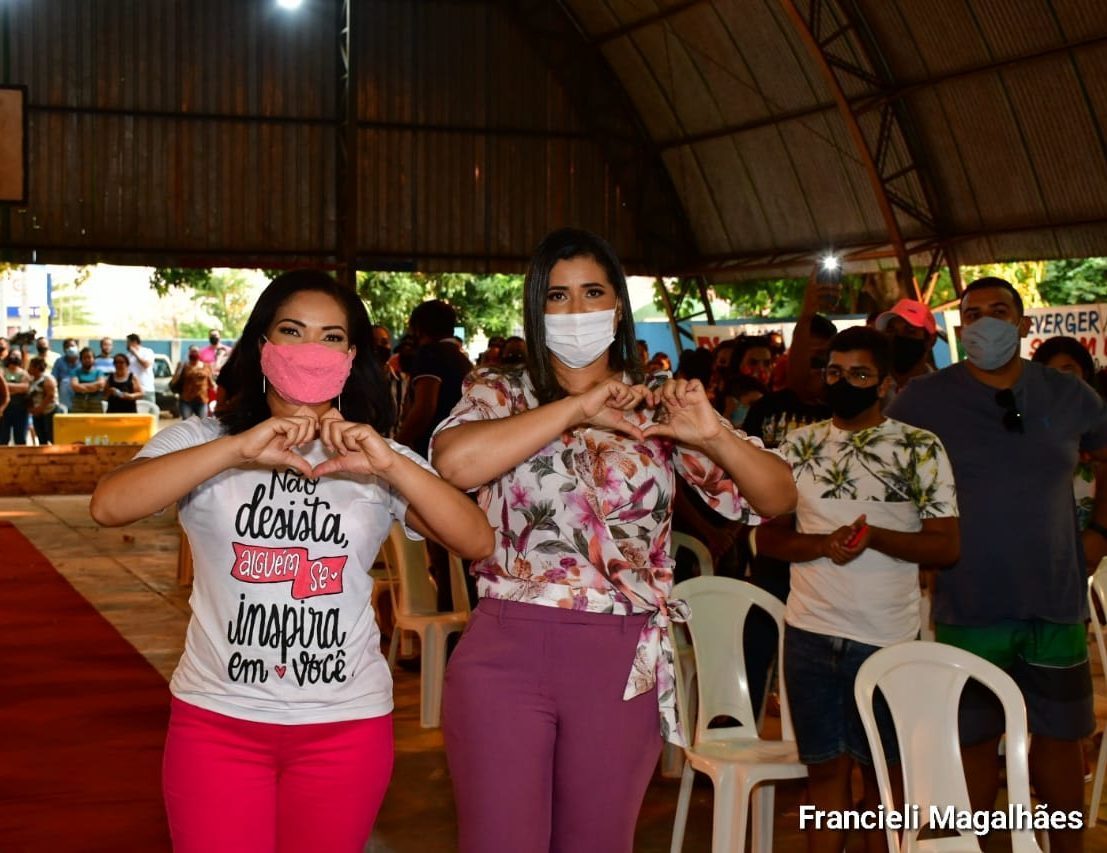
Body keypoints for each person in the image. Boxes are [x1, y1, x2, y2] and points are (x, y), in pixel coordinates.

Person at [89, 270, 493, 853]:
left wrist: (391, 465)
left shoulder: (372, 455)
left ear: (351, 357)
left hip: (346, 726)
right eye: (292, 331)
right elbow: (109, 506)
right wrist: (237, 449)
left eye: (331, 337)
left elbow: (476, 540)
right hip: (217, 722)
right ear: (263, 345)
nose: (311, 349)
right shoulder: (203, 440)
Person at [430, 227, 796, 853]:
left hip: (622, 656)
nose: (576, 310)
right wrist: (578, 408)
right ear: (536, 308)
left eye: (592, 293)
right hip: (505, 648)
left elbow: (778, 497)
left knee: (598, 840)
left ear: (618, 306)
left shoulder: (658, 406)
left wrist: (712, 435)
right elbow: (455, 464)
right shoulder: (500, 392)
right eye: (558, 296)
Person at [887, 277, 1107, 853]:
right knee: (973, 747)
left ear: (1023, 324)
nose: (986, 322)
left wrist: (1100, 532)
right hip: (969, 603)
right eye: (974, 313)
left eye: (999, 311)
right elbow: (883, 466)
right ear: (961, 329)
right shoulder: (924, 399)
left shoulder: (1068, 394)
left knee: (1060, 744)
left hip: (1055, 602)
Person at [757, 327, 959, 853]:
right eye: (835, 372)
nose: (843, 382)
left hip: (886, 640)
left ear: (885, 384)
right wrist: (824, 544)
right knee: (824, 777)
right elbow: (769, 537)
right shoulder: (797, 446)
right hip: (809, 634)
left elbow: (945, 546)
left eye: (859, 374)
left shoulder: (918, 447)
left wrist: (875, 537)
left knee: (884, 784)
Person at [396, 299, 474, 612]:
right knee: (459, 546)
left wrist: (397, 445)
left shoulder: (430, 355)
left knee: (439, 546)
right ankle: (463, 611)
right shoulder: (461, 359)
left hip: (432, 456)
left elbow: (425, 406)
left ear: (418, 329)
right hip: (461, 457)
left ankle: (448, 612)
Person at [873, 298, 936, 397]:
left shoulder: (943, 390)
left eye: (910, 331)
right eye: (891, 330)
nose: (898, 337)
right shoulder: (873, 389)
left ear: (930, 341)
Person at [172, 346, 216, 419]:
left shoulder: (206, 366)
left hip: (202, 400)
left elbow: (211, 382)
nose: (194, 353)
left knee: (202, 423)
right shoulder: (183, 366)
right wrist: (178, 370)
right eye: (192, 351)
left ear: (199, 353)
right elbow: (174, 381)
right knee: (187, 422)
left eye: (196, 351)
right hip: (186, 400)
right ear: (189, 353)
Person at [1, 353, 31, 445]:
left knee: (20, 438)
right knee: (3, 438)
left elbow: (25, 387)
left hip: (21, 409)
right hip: (5, 410)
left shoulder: (24, 373)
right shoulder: (2, 371)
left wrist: (6, 387)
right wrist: (17, 389)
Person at [26, 357, 58, 445]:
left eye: (30, 366)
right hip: (37, 414)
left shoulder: (47, 379)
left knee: (52, 437)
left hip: (49, 412)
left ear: (37, 367)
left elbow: (50, 396)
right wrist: (32, 409)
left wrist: (40, 409)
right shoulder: (32, 380)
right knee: (41, 438)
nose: (28, 368)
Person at [126, 333, 157, 406]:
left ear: (134, 342)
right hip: (133, 391)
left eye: (128, 342)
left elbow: (146, 365)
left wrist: (135, 353)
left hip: (147, 389)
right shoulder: (128, 356)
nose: (126, 345)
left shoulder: (147, 352)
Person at [52, 339, 81, 411]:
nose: (71, 348)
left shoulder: (82, 360)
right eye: (68, 347)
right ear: (64, 349)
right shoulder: (59, 361)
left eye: (73, 346)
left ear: (77, 347)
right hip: (63, 394)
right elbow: (54, 379)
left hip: (79, 391)